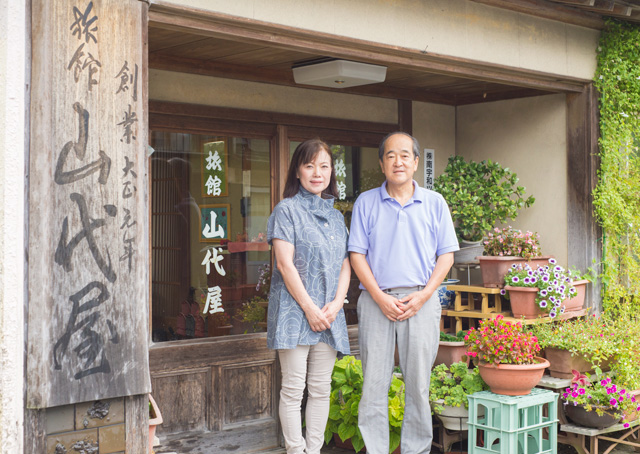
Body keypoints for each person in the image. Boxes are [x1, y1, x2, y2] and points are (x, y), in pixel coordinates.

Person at [348, 132, 459, 454]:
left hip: (421, 302)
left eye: (405, 155)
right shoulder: (366, 202)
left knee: (418, 386)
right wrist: (380, 297)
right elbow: (357, 254)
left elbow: (447, 256)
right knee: (373, 385)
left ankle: (417, 450)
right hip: (375, 300)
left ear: (414, 162)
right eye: (391, 156)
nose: (398, 161)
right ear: (382, 163)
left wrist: (424, 296)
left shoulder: (435, 202)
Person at [267, 138, 351, 454]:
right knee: (292, 390)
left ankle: (313, 450)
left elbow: (346, 264)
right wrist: (310, 309)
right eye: (310, 165)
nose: (318, 173)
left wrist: (335, 304)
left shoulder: (336, 217)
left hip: (329, 312)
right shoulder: (286, 210)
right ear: (298, 171)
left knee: (320, 389)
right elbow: (284, 264)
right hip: (294, 311)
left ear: (332, 172)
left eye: (324, 166)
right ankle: (294, 450)